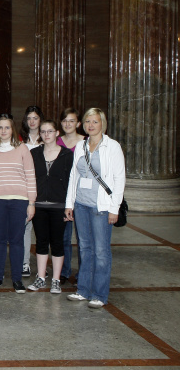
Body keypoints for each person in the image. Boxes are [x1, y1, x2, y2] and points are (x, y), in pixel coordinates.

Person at [65, 108, 125, 309]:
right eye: (88, 121)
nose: (91, 125)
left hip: (101, 206)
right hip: (81, 204)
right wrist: (69, 203)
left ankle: (99, 294)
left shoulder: (112, 147)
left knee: (101, 251)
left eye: (95, 121)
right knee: (84, 248)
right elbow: (74, 176)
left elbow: (119, 179)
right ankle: (83, 290)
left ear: (102, 124)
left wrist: (114, 208)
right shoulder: (81, 146)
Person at [0, 114, 37, 294]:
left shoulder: (22, 149)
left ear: (12, 129)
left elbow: (31, 177)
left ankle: (17, 280)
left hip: (19, 201)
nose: (3, 131)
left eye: (7, 127)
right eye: (0, 128)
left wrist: (31, 203)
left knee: (16, 241)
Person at [28, 119, 72, 294]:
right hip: (39, 204)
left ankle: (55, 280)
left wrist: (70, 205)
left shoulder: (67, 155)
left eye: (50, 131)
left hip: (59, 205)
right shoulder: (34, 154)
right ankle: (40, 277)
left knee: (57, 242)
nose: (46, 135)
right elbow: (30, 179)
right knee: (41, 241)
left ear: (57, 133)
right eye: (43, 132)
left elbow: (71, 182)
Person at [57, 107, 85, 284]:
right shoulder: (56, 141)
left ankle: (83, 272)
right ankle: (64, 271)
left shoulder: (85, 142)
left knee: (83, 238)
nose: (68, 124)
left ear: (78, 124)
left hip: (82, 194)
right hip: (61, 195)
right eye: (65, 121)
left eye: (72, 121)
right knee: (64, 237)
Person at [20, 105, 45, 277]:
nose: (32, 121)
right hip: (25, 189)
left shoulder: (48, 140)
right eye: (29, 118)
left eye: (35, 118)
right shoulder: (20, 141)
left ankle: (43, 268)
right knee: (25, 228)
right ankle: (25, 263)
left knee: (42, 230)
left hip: (43, 189)